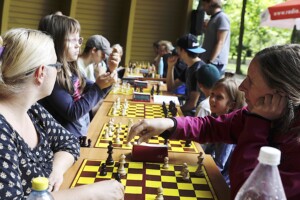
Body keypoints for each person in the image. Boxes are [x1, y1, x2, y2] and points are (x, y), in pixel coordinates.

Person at [127, 44, 300, 200]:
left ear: (281, 93)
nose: (242, 87)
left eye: (251, 82)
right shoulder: (258, 113)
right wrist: (170, 123)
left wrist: (258, 124)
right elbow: (212, 126)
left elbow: (250, 194)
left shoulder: (260, 118)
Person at [0, 28, 124, 200]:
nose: (59, 70)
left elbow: (69, 142)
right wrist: (90, 193)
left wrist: (55, 171)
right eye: (56, 65)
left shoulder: (32, 109)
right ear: (41, 73)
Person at [38, 14, 120, 138]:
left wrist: (110, 75)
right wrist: (98, 87)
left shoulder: (72, 68)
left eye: (79, 40)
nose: (78, 45)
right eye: (73, 40)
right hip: (64, 142)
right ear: (56, 41)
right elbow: (72, 112)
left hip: (79, 134)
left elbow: (94, 88)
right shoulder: (52, 75)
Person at [202, 74, 245, 186]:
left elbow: (219, 166)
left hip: (225, 185)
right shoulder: (217, 119)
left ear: (231, 104)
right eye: (212, 94)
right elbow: (209, 151)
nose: (212, 99)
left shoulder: (229, 129)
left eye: (219, 97)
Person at [166, 33, 206, 116]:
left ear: (182, 50)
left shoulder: (198, 70)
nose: (176, 51)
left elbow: (192, 105)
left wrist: (173, 110)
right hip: (189, 111)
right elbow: (171, 87)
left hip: (196, 116)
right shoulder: (190, 67)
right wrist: (170, 67)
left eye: (177, 49)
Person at [200, 0, 230, 74]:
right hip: (207, 61)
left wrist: (210, 61)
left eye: (204, 5)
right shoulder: (213, 18)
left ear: (210, 3)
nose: (203, 8)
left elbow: (220, 42)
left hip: (215, 63)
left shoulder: (222, 17)